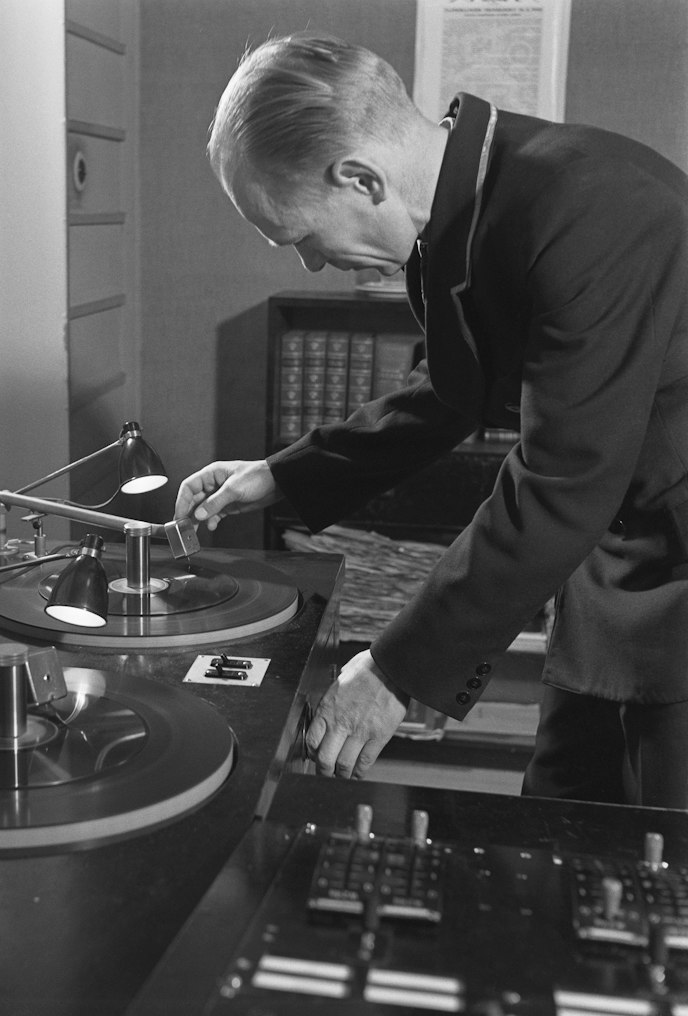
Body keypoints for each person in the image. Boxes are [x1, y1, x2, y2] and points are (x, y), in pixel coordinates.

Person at [175, 33, 688, 808]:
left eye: (301, 236)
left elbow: (560, 484)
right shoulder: (470, 198)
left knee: (663, 866)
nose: (310, 263)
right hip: (610, 562)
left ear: (360, 178)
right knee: (555, 822)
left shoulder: (589, 210)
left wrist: (393, 670)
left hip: (675, 569)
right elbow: (452, 390)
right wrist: (282, 475)